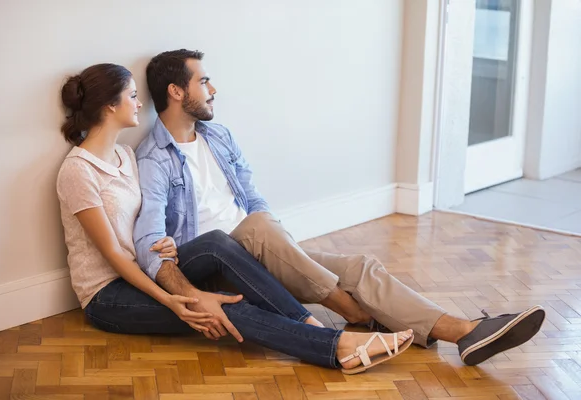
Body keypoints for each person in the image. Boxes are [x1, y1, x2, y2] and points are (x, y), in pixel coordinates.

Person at [133, 49, 546, 366]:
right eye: (204, 81)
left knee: (359, 266)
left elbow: (252, 196)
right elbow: (150, 240)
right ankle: (354, 312)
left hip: (263, 244)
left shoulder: (218, 136)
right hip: (223, 263)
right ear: (176, 91)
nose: (213, 89)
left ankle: (465, 332)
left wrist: (284, 246)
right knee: (259, 228)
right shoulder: (155, 158)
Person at [55, 62, 415, 374]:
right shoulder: (78, 171)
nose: (139, 103)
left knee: (216, 243)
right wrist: (180, 299)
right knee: (221, 309)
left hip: (145, 269)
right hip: (110, 295)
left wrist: (162, 242)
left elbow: (142, 222)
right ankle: (335, 347)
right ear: (109, 104)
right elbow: (115, 257)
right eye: (132, 95)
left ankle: (314, 327)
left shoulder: (124, 156)